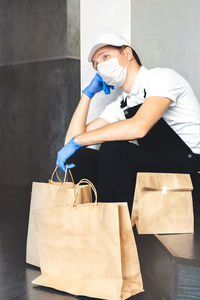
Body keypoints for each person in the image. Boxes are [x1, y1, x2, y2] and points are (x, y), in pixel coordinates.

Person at [56, 32, 200, 224]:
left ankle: (117, 229)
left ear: (127, 53)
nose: (99, 66)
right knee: (80, 156)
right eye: (95, 64)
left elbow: (139, 127)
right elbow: (72, 141)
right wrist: (88, 94)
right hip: (160, 171)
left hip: (190, 173)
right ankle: (100, 225)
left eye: (105, 56)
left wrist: (77, 141)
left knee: (114, 149)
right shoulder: (121, 104)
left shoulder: (162, 78)